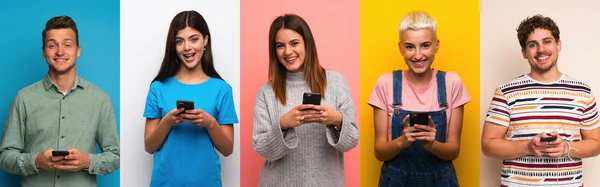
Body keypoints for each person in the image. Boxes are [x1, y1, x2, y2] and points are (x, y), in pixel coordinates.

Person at [0, 16, 120, 187]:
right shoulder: (23, 98)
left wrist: (87, 161)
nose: (60, 52)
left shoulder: (100, 99)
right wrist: (36, 161)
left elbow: (116, 156)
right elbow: (5, 156)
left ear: (78, 50)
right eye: (52, 45)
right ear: (43, 52)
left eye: (67, 44)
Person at [481, 14, 600, 187]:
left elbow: (596, 144)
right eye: (532, 45)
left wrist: (566, 148)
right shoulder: (506, 92)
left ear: (558, 44)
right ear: (524, 52)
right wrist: (528, 147)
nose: (541, 49)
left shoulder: (583, 92)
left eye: (547, 41)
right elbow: (488, 146)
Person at [252, 14, 359, 187]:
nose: (287, 51)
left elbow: (351, 141)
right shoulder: (266, 92)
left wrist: (337, 119)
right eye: (280, 46)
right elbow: (262, 149)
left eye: (294, 43)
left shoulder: (336, 82)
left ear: (307, 44)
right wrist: (283, 124)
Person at [368, 11, 471, 187]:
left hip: (441, 180)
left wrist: (432, 145)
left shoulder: (452, 83)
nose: (417, 55)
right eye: (409, 47)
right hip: (395, 180)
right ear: (400, 48)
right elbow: (380, 153)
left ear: (436, 45)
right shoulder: (385, 83)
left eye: (425, 45)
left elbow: (453, 151)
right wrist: (402, 141)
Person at [142, 10, 238, 187]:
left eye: (194, 39)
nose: (187, 47)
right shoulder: (158, 88)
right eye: (180, 41)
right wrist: (168, 121)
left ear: (205, 41)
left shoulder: (222, 89)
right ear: (174, 45)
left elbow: (228, 149)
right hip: (165, 183)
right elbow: (149, 146)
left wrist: (209, 123)